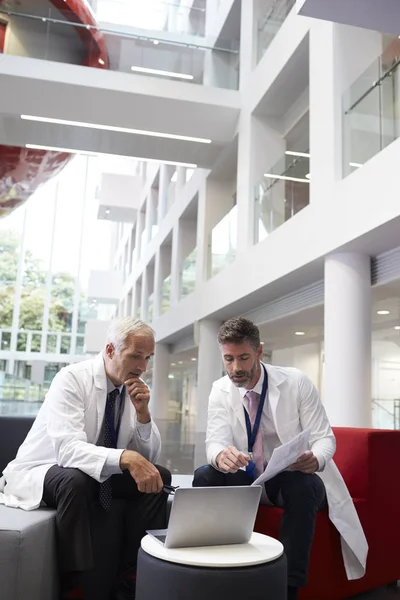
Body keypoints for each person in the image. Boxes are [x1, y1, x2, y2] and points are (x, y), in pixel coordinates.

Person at [193, 317, 368, 600]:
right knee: (204, 474)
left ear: (259, 352)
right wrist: (220, 455)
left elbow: (325, 438)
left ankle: (287, 587)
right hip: (249, 477)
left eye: (244, 358)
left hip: (291, 479)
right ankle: (210, 571)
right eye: (228, 359)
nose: (235, 368)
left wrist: (317, 459)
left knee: (303, 485)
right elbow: (214, 440)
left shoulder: (296, 382)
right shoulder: (219, 389)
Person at [0, 317, 171, 600]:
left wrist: (143, 415)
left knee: (159, 476)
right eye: (136, 356)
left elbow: (149, 458)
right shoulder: (71, 379)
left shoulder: (132, 391)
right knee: (75, 480)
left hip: (94, 475)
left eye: (148, 358)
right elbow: (67, 450)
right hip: (44, 470)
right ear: (110, 350)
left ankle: (131, 574)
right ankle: (74, 584)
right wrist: (126, 457)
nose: (142, 367)